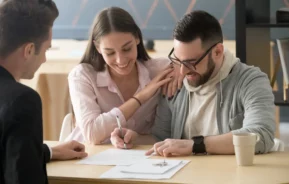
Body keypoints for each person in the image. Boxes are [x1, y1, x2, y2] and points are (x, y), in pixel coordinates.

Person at [144, 10, 276, 156]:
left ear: (218, 52)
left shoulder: (251, 81)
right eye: (178, 60)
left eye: (191, 62)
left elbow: (261, 135)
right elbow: (160, 138)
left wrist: (196, 145)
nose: (182, 72)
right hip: (183, 176)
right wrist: (134, 139)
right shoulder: (175, 83)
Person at [66, 7, 183, 147]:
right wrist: (141, 97)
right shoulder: (82, 75)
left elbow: (190, 58)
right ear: (97, 47)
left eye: (127, 49)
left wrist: (179, 64)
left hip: (140, 158)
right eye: (110, 53)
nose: (120, 60)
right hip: (87, 158)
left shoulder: (159, 70)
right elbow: (92, 134)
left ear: (137, 38)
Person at [0, 0, 87, 184]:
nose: (45, 59)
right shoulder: (22, 100)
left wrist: (48, 151)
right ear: (29, 50)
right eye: (46, 49)